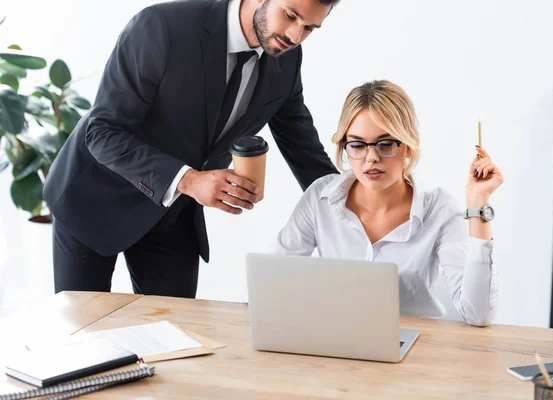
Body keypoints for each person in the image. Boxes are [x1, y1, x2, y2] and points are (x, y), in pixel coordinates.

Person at [44, 0, 340, 298]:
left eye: (310, 28)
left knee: (175, 338)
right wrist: (189, 180)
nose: (295, 36)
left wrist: (353, 203)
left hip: (173, 215)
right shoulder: (161, 27)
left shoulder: (287, 58)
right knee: (82, 336)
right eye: (290, 15)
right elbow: (102, 132)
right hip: (94, 199)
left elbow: (302, 145)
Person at [273, 80, 503, 326]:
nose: (371, 158)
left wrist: (478, 205)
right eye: (358, 145)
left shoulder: (440, 209)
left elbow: (478, 315)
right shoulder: (320, 198)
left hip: (416, 348)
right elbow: (273, 284)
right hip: (338, 342)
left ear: (407, 146)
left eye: (385, 144)